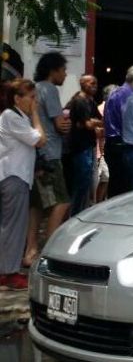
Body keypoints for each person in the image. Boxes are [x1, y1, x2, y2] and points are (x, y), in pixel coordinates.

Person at [25, 52, 71, 267]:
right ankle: (49, 251)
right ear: (53, 71)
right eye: (63, 70)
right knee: (62, 201)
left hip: (36, 154)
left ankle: (30, 250)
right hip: (51, 152)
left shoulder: (34, 89)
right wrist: (66, 123)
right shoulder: (50, 89)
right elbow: (59, 124)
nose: (65, 74)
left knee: (37, 206)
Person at [0, 79, 46, 290]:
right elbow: (40, 139)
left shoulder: (16, 117)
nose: (34, 102)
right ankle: (9, 273)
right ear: (17, 98)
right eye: (32, 97)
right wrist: (36, 115)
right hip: (14, 176)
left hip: (17, 176)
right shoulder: (12, 116)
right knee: (14, 227)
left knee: (12, 225)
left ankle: (7, 269)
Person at [65, 74, 103, 214]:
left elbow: (100, 120)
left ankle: (80, 212)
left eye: (96, 83)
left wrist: (93, 123)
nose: (94, 86)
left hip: (89, 146)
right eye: (91, 83)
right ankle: (74, 215)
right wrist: (92, 123)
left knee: (87, 183)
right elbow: (88, 124)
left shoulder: (90, 101)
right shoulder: (79, 101)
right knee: (81, 184)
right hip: (80, 148)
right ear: (82, 84)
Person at [104, 65, 133, 197]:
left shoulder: (117, 92)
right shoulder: (126, 94)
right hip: (121, 145)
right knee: (123, 188)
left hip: (114, 144)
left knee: (117, 185)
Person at [93, 84, 116, 203]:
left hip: (104, 149)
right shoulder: (102, 109)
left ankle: (99, 203)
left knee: (105, 179)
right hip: (100, 150)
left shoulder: (109, 108)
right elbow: (99, 130)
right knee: (99, 180)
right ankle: (95, 204)